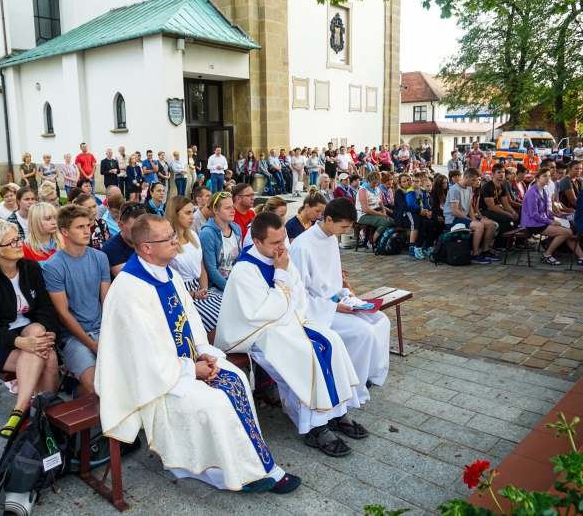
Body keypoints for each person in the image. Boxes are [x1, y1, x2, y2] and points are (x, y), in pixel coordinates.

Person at [95, 214, 300, 494]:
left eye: (173, 234)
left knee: (237, 379)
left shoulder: (167, 272)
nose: (175, 241)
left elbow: (189, 318)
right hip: (156, 383)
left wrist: (202, 352)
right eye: (167, 238)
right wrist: (191, 370)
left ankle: (250, 462)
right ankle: (229, 472)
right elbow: (143, 356)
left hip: (182, 364)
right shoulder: (129, 290)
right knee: (215, 403)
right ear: (146, 248)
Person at [216, 212, 366, 457]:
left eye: (283, 239)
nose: (282, 247)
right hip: (258, 333)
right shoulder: (245, 270)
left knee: (331, 341)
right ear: (257, 242)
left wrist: (285, 284)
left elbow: (298, 298)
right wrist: (281, 275)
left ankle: (336, 413)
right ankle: (314, 428)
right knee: (305, 356)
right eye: (275, 242)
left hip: (288, 323)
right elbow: (261, 314)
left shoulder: (281, 258)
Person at [290, 197, 391, 392]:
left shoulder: (330, 237)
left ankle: (370, 373)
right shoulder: (303, 246)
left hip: (337, 299)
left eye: (348, 227)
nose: (346, 232)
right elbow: (298, 294)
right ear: (328, 219)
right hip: (318, 310)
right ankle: (351, 383)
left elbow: (330, 277)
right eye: (344, 227)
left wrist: (346, 292)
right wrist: (333, 306)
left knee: (381, 320)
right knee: (363, 332)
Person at [0, 220, 59, 437]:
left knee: (38, 331)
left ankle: (25, 411)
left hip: (30, 332)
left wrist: (50, 332)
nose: (20, 244)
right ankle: (38, 413)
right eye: (12, 242)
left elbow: (45, 307)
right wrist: (19, 342)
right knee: (49, 358)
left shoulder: (30, 268)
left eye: (19, 238)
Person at [40, 205, 110, 397]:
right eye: (80, 227)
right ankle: (78, 396)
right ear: (65, 232)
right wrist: (92, 344)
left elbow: (107, 301)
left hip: (102, 328)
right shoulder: (53, 266)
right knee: (94, 388)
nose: (87, 231)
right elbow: (63, 314)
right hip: (72, 337)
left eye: (88, 225)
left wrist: (109, 334)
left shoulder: (100, 258)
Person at [166, 196, 223, 337]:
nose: (192, 217)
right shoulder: (169, 242)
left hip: (199, 288)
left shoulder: (193, 235)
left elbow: (201, 267)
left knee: (228, 309)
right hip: (181, 292)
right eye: (187, 213)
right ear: (175, 214)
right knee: (214, 320)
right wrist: (193, 295)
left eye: (192, 212)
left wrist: (204, 290)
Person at [521, 168, 583, 266]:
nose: (548, 178)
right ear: (537, 178)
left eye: (549, 176)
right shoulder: (532, 193)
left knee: (569, 232)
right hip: (533, 223)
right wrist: (551, 222)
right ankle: (547, 254)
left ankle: (582, 257)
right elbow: (534, 214)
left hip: (541, 221)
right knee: (566, 233)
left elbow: (546, 209)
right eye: (544, 176)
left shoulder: (543, 190)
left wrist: (553, 218)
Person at [443, 168, 498, 264]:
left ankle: (485, 251)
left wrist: (473, 219)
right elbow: (455, 211)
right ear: (466, 177)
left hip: (462, 217)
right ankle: (475, 255)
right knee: (479, 226)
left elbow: (470, 207)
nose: (474, 182)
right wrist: (470, 220)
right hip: (452, 219)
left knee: (490, 224)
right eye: (473, 180)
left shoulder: (468, 188)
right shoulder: (455, 189)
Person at [200, 191, 241, 292]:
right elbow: (211, 270)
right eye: (227, 208)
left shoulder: (236, 228)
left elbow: (239, 261)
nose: (233, 210)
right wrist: (231, 289)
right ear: (215, 210)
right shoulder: (207, 234)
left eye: (233, 206)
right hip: (216, 287)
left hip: (235, 281)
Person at [394, 173, 434, 259]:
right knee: (421, 222)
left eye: (408, 180)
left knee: (430, 222)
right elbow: (405, 206)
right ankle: (415, 246)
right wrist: (420, 210)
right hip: (402, 217)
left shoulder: (416, 190)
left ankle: (428, 246)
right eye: (404, 181)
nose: (407, 182)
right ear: (400, 184)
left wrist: (427, 211)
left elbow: (424, 202)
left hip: (414, 214)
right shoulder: (399, 192)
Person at [480, 163, 519, 251]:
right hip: (484, 211)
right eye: (499, 172)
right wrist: (508, 214)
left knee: (519, 214)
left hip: (494, 210)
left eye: (503, 172)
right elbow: (492, 207)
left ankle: (518, 243)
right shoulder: (487, 187)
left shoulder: (502, 187)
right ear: (493, 174)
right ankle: (500, 245)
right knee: (505, 218)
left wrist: (513, 212)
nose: (502, 174)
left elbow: (506, 204)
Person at [102, 201, 146, 277]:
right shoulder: (111, 248)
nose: (140, 231)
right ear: (121, 225)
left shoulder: (151, 241)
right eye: (134, 227)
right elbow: (128, 278)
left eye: (144, 226)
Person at [357, 172, 394, 249]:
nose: (376, 185)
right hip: (364, 215)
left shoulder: (377, 189)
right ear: (369, 181)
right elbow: (366, 209)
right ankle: (371, 241)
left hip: (377, 212)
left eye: (377, 183)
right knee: (385, 223)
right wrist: (381, 215)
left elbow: (381, 204)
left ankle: (385, 241)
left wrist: (384, 213)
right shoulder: (363, 190)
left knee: (394, 222)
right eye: (374, 183)